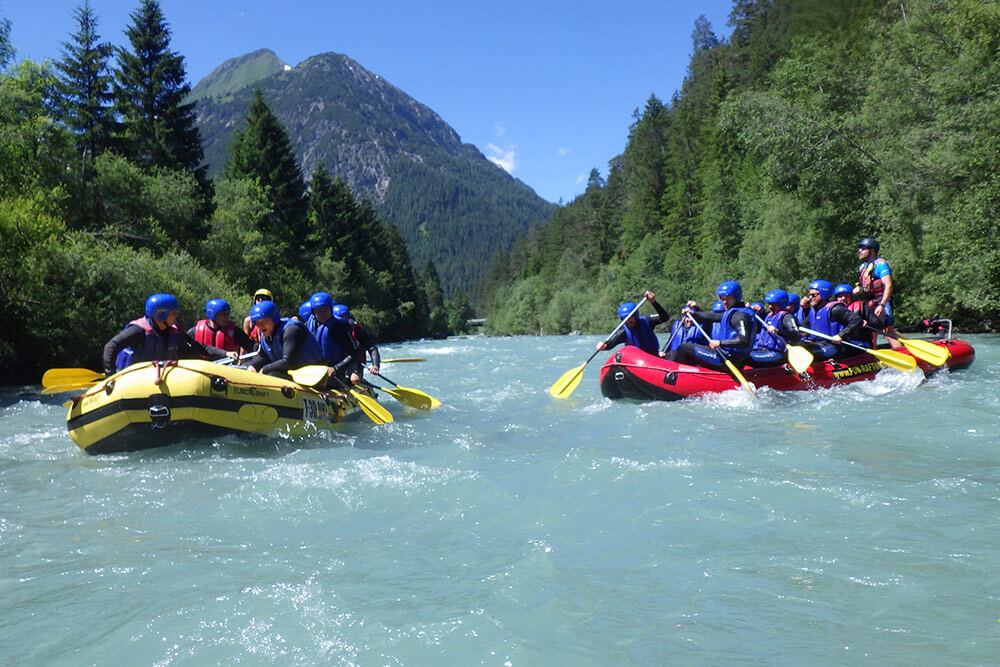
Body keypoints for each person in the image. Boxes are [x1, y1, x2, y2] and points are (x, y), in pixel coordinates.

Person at [102, 293, 230, 374]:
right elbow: (111, 346)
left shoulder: (174, 332)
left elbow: (199, 349)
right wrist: (110, 376)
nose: (177, 315)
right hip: (130, 380)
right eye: (173, 312)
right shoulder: (138, 331)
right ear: (161, 314)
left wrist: (226, 353)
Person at [665, 281, 757, 371]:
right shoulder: (734, 311)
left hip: (728, 360)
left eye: (728, 298)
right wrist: (694, 313)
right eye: (722, 298)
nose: (724, 302)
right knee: (687, 349)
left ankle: (677, 376)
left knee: (684, 348)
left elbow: (744, 340)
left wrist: (720, 343)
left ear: (736, 297)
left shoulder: (739, 315)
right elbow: (715, 316)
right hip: (726, 356)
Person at [245, 300, 325, 377]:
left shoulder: (291, 330)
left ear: (274, 319)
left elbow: (288, 362)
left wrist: (264, 369)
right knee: (247, 366)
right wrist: (252, 365)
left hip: (313, 375)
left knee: (272, 375)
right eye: (257, 323)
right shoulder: (266, 335)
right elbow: (263, 356)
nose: (261, 325)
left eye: (264, 321)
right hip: (294, 374)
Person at [854, 237, 903, 349]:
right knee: (871, 331)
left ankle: (903, 355)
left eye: (863, 248)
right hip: (871, 302)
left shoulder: (880, 265)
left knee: (887, 331)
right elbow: (867, 287)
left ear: (872, 250)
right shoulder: (864, 267)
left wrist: (882, 305)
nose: (859, 250)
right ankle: (873, 357)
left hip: (882, 301)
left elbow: (888, 285)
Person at [800, 279, 866, 359]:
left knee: (810, 354)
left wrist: (841, 335)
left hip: (835, 346)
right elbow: (802, 326)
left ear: (823, 294)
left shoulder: (835, 309)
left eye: (813, 295)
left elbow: (857, 320)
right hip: (818, 343)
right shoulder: (814, 311)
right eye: (809, 295)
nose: (810, 298)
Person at [596, 290, 670, 355]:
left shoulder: (647, 321)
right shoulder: (623, 331)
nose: (628, 321)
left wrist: (653, 302)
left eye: (630, 318)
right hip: (636, 361)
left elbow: (665, 317)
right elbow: (612, 342)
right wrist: (604, 346)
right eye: (625, 319)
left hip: (652, 357)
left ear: (636, 315)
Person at [749, 289, 802, 367]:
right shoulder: (770, 315)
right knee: (742, 353)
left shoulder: (787, 317)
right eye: (769, 304)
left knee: (747, 357)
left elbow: (796, 335)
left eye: (773, 304)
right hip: (763, 349)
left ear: (782, 304)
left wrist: (777, 331)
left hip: (777, 353)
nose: (770, 307)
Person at [189, 298, 255, 359]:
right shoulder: (195, 331)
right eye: (224, 314)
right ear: (212, 315)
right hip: (202, 367)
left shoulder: (235, 332)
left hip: (226, 367)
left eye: (228, 314)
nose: (227, 317)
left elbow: (252, 347)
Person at [333, 304, 382, 382]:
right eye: (341, 317)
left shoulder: (357, 330)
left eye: (345, 316)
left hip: (356, 364)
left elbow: (372, 348)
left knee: (353, 380)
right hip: (338, 364)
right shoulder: (328, 330)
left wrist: (375, 365)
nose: (344, 320)